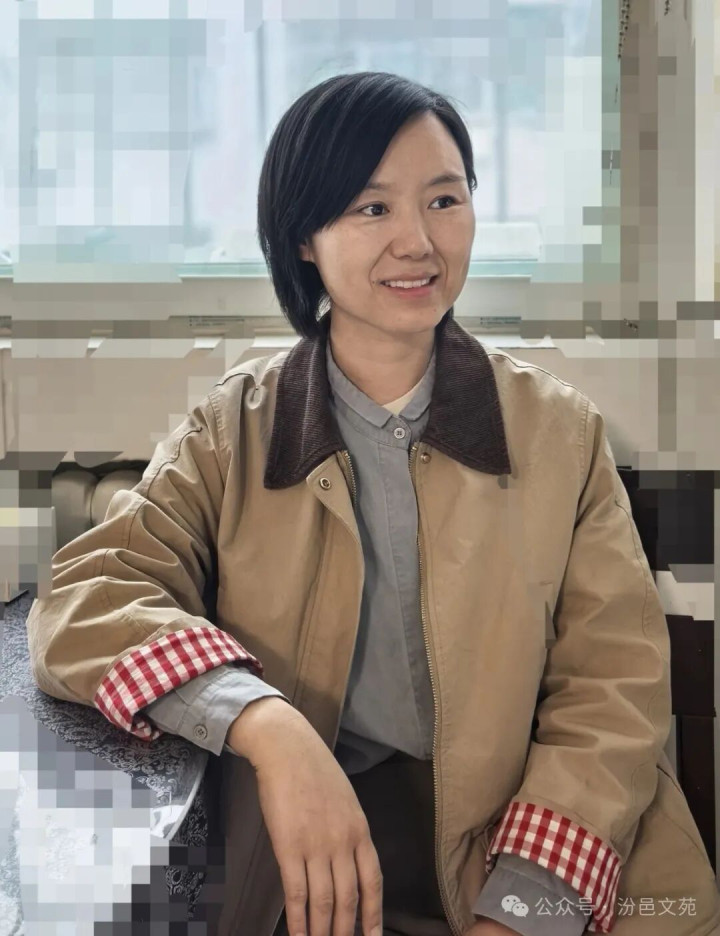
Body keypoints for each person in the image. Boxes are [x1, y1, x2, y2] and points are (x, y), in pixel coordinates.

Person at [26, 72, 720, 936]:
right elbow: (89, 598)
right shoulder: (232, 432)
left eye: (444, 200)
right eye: (372, 208)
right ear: (304, 236)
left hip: (541, 852)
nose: (418, 242)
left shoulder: (559, 433)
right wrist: (264, 724)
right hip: (312, 862)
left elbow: (614, 691)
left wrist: (525, 908)